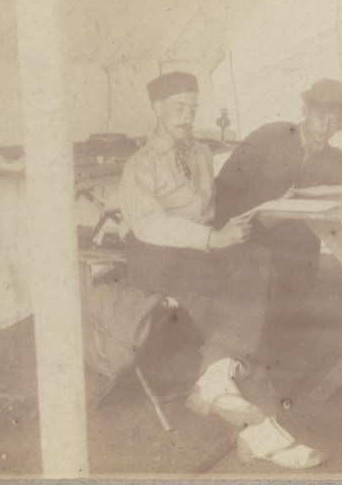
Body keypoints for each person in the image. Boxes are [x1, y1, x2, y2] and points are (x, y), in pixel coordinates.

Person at [119, 71, 325, 469]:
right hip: (154, 256)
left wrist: (252, 218)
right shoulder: (139, 165)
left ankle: (227, 391)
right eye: (178, 107)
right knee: (243, 301)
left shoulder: (198, 154)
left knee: (256, 260)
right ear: (156, 109)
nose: (187, 116)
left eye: (192, 108)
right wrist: (214, 240)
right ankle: (259, 425)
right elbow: (149, 226)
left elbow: (212, 210)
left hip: (196, 251)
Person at [214, 79, 342, 299]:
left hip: (294, 259)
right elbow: (224, 185)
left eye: (334, 121)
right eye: (320, 118)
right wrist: (223, 237)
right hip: (242, 237)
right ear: (304, 111)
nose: (325, 128)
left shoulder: (332, 159)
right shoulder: (269, 136)